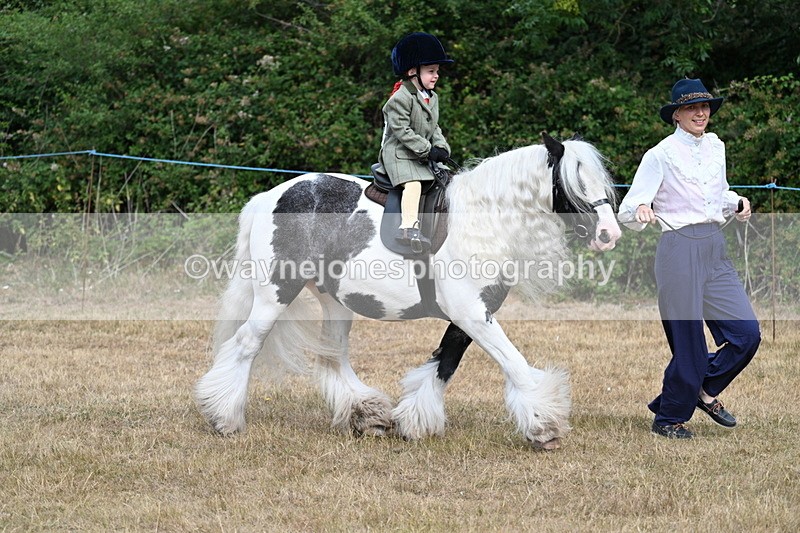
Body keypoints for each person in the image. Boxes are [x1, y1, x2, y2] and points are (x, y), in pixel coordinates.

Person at [618, 78, 762, 439]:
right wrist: (640, 209)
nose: (701, 113)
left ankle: (704, 390)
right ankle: (669, 419)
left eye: (705, 107)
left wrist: (737, 203)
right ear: (676, 115)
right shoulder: (660, 155)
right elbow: (626, 209)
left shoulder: (716, 146)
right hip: (678, 250)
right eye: (691, 108)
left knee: (746, 333)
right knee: (690, 347)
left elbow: (717, 194)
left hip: (714, 246)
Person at [379, 32, 453, 253]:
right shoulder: (399, 99)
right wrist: (428, 149)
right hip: (399, 153)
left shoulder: (431, 96)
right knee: (413, 185)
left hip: (420, 153)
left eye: (437, 71)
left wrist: (441, 147)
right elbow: (402, 131)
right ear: (413, 72)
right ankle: (408, 227)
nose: (436, 75)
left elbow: (434, 127)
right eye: (431, 71)